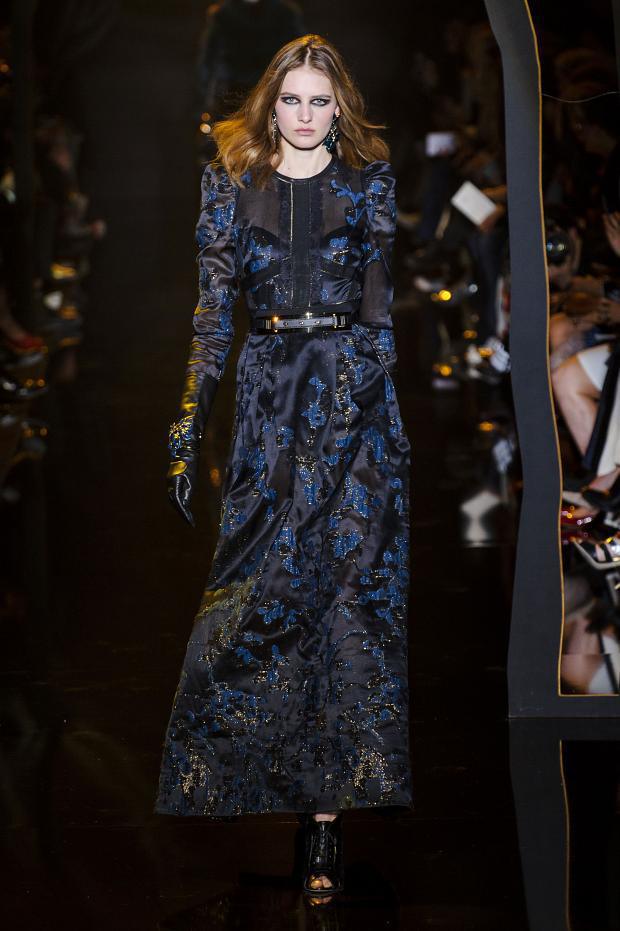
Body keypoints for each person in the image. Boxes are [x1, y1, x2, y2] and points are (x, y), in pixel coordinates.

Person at [155, 33, 413, 901]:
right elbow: (212, 315)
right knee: (256, 598)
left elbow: (379, 315)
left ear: (339, 110)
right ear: (272, 104)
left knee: (349, 605)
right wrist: (189, 419)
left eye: (319, 101)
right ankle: (242, 778)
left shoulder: (370, 184)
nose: (304, 114)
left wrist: (376, 424)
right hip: (269, 404)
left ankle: (327, 823)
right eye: (292, 99)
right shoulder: (230, 183)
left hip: (354, 405)